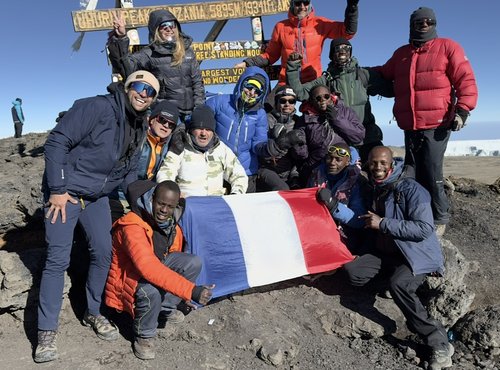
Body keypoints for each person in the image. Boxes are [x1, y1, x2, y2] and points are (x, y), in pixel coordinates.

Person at [35, 70, 160, 363]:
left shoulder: (138, 124)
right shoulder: (97, 107)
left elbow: (129, 172)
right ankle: (46, 332)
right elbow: (56, 142)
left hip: (96, 197)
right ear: (128, 87)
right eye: (140, 87)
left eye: (150, 91)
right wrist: (56, 188)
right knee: (57, 259)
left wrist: (143, 203)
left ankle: (93, 312)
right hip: (64, 195)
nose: (144, 94)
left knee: (104, 253)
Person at [343, 146, 453, 370]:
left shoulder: (413, 190)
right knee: (354, 272)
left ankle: (438, 340)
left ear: (392, 164)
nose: (378, 168)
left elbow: (424, 228)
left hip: (414, 256)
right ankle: (389, 286)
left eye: (383, 163)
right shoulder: (374, 187)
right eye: (374, 163)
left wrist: (383, 223)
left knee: (400, 284)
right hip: (386, 253)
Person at [374, 7, 478, 235]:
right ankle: (418, 211)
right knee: (412, 171)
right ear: (412, 25)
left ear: (434, 24)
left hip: (438, 124)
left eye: (428, 22)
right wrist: (360, 73)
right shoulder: (402, 53)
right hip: (410, 125)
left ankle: (440, 216)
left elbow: (466, 79)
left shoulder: (447, 47)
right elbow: (384, 72)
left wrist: (463, 111)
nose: (424, 25)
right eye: (419, 22)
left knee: (431, 171)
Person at [106, 180, 214, 360]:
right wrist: (190, 290)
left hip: (151, 269)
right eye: (161, 204)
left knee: (192, 262)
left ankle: (164, 309)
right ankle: (144, 335)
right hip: (129, 278)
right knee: (151, 291)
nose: (164, 210)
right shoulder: (132, 225)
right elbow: (147, 267)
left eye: (170, 206)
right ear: (152, 199)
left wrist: (183, 293)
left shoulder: (170, 223)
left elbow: (172, 254)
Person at [286, 38, 394, 162]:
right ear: (332, 55)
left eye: (346, 48)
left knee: (376, 171)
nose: (343, 52)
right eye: (338, 49)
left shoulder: (364, 75)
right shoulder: (327, 80)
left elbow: (391, 90)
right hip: (341, 138)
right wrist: (293, 68)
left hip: (368, 136)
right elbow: (301, 93)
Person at [207, 67, 301, 193]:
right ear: (241, 83)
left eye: (257, 91)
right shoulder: (219, 102)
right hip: (216, 169)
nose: (251, 93)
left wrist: (277, 145)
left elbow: (258, 145)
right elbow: (199, 121)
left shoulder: (260, 114)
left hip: (246, 171)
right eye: (249, 86)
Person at [107, 9, 205, 121]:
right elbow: (127, 68)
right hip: (166, 116)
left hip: (191, 114)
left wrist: (199, 108)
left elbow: (197, 83)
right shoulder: (149, 53)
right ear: (156, 31)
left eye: (171, 25)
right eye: (163, 26)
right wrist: (121, 38)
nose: (169, 28)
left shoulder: (187, 51)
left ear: (176, 27)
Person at [235, 0, 359, 85]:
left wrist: (352, 7)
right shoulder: (281, 26)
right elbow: (270, 56)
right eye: (298, 2)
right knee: (269, 109)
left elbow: (347, 33)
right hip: (287, 80)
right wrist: (247, 63)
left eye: (305, 2)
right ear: (292, 4)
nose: (302, 6)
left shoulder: (320, 23)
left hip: (313, 80)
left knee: (324, 110)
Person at [109, 100, 181, 220]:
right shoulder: (137, 136)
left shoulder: (168, 144)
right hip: (120, 195)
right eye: (162, 120)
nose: (166, 126)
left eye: (171, 125)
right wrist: (135, 201)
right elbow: (125, 174)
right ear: (152, 119)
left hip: (143, 197)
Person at [156, 105, 248, 197]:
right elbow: (165, 174)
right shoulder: (180, 147)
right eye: (199, 128)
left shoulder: (221, 149)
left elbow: (239, 175)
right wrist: (173, 196)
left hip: (216, 204)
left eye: (208, 129)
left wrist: (235, 196)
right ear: (192, 130)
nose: (203, 133)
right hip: (188, 204)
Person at [294, 84, 364, 186]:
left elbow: (358, 137)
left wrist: (337, 119)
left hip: (342, 166)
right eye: (318, 98)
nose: (322, 100)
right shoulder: (304, 119)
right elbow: (301, 154)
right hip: (315, 168)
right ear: (312, 101)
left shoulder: (345, 112)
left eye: (326, 96)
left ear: (331, 96)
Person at [313, 143, 365, 252]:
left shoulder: (356, 182)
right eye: (330, 158)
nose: (332, 162)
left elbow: (360, 220)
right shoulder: (316, 175)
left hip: (345, 237)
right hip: (318, 231)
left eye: (338, 159)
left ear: (347, 162)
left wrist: (333, 205)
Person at [257, 85, 303, 191]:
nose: (287, 104)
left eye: (291, 101)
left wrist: (294, 174)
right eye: (283, 100)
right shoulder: (265, 119)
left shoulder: (298, 121)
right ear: (277, 102)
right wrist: (274, 140)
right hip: (267, 169)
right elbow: (259, 147)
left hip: (289, 172)